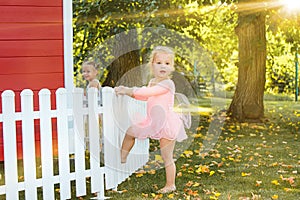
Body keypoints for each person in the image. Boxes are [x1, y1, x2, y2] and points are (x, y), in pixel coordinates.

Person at [114, 46, 188, 194]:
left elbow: (150, 92)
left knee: (167, 156)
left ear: (172, 67)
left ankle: (170, 184)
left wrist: (128, 91)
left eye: (167, 63)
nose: (163, 66)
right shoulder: (153, 81)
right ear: (152, 65)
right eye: (159, 62)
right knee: (131, 131)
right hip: (152, 120)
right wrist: (129, 91)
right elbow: (145, 95)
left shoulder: (168, 84)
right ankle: (122, 157)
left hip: (166, 122)